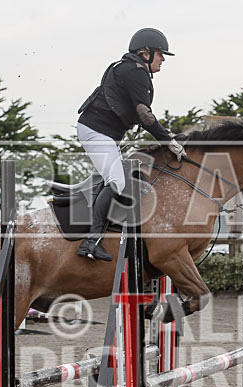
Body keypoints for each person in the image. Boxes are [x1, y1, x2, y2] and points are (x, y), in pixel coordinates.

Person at [76, 27, 186, 261]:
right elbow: (145, 115)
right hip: (97, 131)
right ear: (146, 53)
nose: (163, 59)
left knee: (117, 178)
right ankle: (90, 241)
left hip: (103, 133)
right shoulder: (136, 72)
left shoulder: (128, 69)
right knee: (116, 181)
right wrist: (169, 141)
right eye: (160, 54)